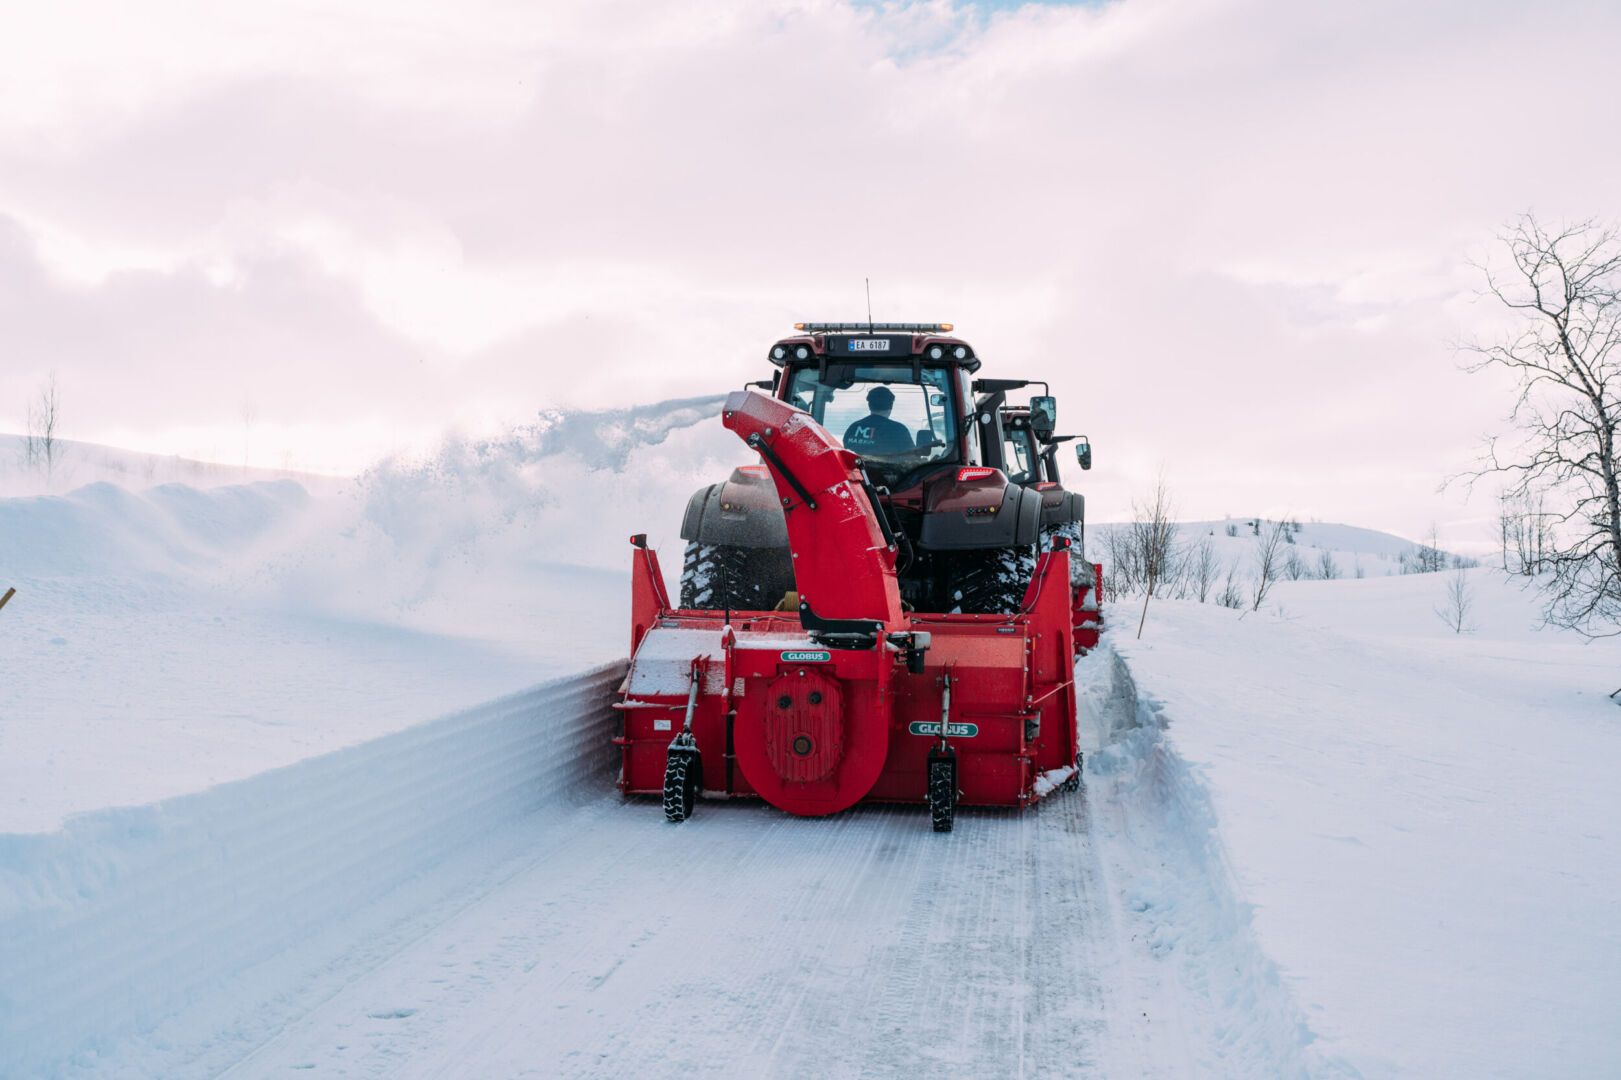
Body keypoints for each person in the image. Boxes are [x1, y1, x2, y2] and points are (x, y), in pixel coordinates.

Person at [842, 386, 915, 457]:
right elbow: (912, 458)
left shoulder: (854, 428)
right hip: (887, 469)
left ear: (869, 405)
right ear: (891, 406)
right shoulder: (898, 430)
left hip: (855, 469)